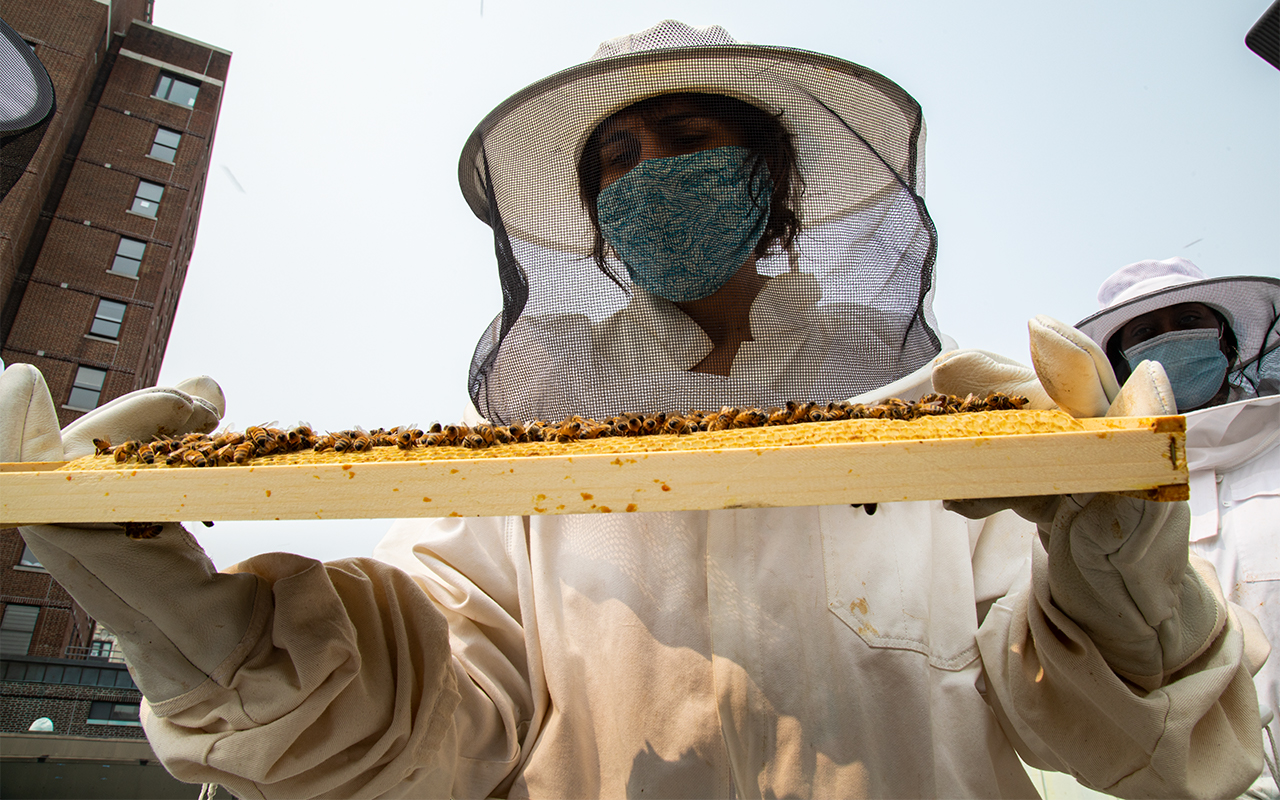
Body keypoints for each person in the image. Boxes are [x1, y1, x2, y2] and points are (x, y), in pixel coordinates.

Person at [0, 21, 1269, 799]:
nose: (650, 173)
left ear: (771, 188)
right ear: (591, 224)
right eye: (616, 159)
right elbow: (429, 733)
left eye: (687, 136)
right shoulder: (524, 481)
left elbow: (1135, 752)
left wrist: (1115, 580)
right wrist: (212, 638)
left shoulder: (947, 439)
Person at [1074, 257, 1280, 799]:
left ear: (1227, 343)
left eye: (1188, 320)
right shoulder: (1099, 496)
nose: (1171, 339)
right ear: (1120, 367)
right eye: (1145, 334)